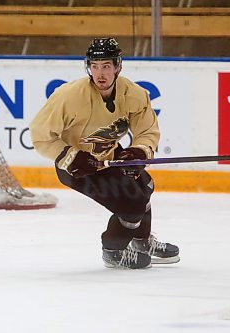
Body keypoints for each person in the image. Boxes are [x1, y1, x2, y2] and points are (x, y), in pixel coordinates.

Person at [30, 37, 179, 269]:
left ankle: (140, 241)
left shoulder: (134, 94)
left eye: (106, 66)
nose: (100, 73)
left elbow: (148, 131)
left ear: (118, 66)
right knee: (132, 206)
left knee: (145, 188)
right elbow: (40, 135)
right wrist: (71, 156)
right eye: (95, 66)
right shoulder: (68, 96)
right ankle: (113, 250)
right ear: (88, 67)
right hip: (78, 168)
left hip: (109, 157)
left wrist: (138, 152)